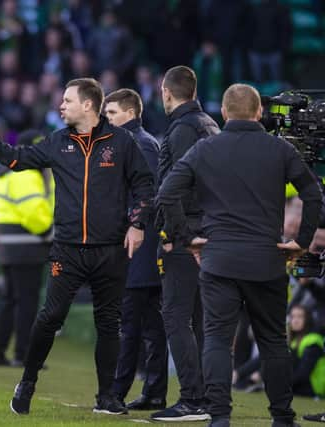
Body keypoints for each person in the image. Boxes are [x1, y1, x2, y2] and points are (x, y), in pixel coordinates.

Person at [0, 77, 155, 416]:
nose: (61, 106)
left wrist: (137, 224)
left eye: (67, 100)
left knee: (109, 322)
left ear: (88, 105)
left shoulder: (122, 142)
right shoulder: (56, 142)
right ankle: (28, 381)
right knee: (49, 317)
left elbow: (145, 185)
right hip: (67, 249)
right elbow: (17, 159)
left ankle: (107, 396)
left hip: (110, 249)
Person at [157, 83, 321, 427]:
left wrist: (188, 239)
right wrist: (302, 241)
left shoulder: (205, 149)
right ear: (259, 112)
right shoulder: (279, 149)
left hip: (219, 259)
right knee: (274, 340)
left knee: (217, 338)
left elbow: (167, 193)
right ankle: (282, 417)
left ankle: (219, 417)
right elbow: (313, 193)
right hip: (267, 259)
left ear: (225, 113)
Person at [152, 65, 220, 422]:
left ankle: (192, 399)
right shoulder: (210, 125)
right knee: (200, 319)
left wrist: (178, 235)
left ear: (167, 92)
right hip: (210, 231)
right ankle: (209, 398)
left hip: (188, 238)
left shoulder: (181, 129)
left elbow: (173, 187)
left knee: (176, 317)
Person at [104, 89, 168, 410]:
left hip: (138, 249)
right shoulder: (139, 143)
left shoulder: (139, 145)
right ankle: (154, 390)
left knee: (129, 323)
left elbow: (147, 195)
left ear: (130, 113)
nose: (107, 119)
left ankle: (115, 391)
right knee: (149, 324)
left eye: (112, 113)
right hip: (141, 247)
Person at [0, 129, 53, 367]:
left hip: (9, 245)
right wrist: (49, 233)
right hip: (26, 246)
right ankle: (23, 354)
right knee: (27, 301)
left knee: (10, 299)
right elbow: (33, 211)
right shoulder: (25, 174)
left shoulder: (6, 173)